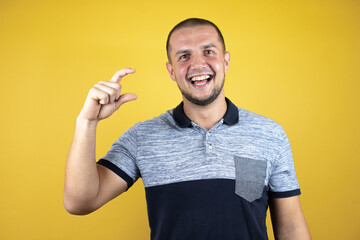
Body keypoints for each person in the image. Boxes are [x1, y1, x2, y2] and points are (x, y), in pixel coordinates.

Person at [64, 18, 311, 240]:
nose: (198, 64)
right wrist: (87, 122)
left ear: (225, 61)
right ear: (171, 71)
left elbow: (291, 229)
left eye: (208, 52)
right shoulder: (143, 137)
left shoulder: (269, 134)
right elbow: (79, 202)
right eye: (184, 56)